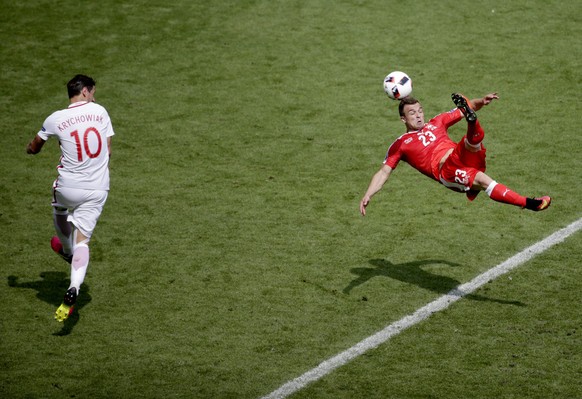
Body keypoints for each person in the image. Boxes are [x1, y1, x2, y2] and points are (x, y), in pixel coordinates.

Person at [360, 92, 551, 217]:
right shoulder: (401, 144)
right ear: (403, 119)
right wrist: (368, 194)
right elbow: (384, 172)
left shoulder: (437, 122)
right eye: (412, 113)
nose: (418, 115)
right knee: (484, 180)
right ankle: (531, 203)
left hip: (460, 156)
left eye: (420, 111)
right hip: (447, 171)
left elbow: (470, 104)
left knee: (474, 139)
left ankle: (471, 121)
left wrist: (481, 101)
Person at [27, 74, 114, 322]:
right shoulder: (100, 111)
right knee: (83, 242)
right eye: (93, 91)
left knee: (60, 208)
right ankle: (73, 286)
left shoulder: (55, 118)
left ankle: (66, 249)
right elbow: (107, 150)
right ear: (85, 91)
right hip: (98, 188)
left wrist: (29, 148)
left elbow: (34, 147)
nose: (94, 96)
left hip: (68, 187)